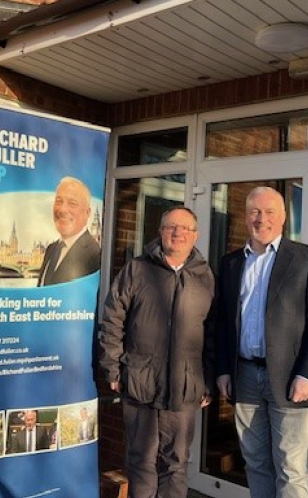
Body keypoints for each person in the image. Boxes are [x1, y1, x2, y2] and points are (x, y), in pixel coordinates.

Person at [215, 186, 308, 498]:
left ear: (282, 218)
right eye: (255, 211)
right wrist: (223, 370)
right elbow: (223, 321)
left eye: (270, 212)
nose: (262, 219)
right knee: (255, 463)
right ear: (246, 217)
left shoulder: (307, 258)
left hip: (290, 380)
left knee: (291, 468)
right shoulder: (230, 263)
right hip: (244, 376)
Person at [98, 206, 216, 498]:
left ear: (195, 235)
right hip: (140, 382)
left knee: (176, 463)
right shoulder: (137, 269)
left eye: (185, 228)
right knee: (141, 461)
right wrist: (112, 367)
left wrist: (209, 379)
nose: (178, 233)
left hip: (185, 387)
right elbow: (113, 318)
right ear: (160, 231)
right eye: (171, 227)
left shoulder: (205, 276)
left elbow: (213, 332)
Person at [38, 176, 101, 286]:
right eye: (58, 201)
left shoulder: (95, 254)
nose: (62, 210)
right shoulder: (51, 249)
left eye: (72, 203)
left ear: (87, 212)